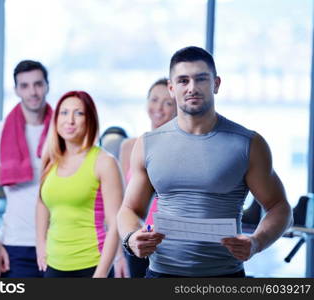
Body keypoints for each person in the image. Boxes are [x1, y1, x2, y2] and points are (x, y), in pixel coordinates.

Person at [117, 46, 293, 278]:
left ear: (216, 84)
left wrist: (256, 242)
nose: (192, 88)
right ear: (172, 88)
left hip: (223, 276)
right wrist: (131, 239)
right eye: (183, 81)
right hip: (161, 273)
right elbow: (129, 209)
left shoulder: (248, 144)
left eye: (201, 79)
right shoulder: (148, 144)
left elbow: (280, 207)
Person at [36, 91, 123, 278]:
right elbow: (42, 203)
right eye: (64, 113)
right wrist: (40, 244)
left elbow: (115, 223)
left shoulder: (105, 162)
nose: (70, 120)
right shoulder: (50, 159)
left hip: (91, 265)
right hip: (54, 264)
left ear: (90, 119)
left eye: (79, 113)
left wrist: (101, 273)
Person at [0, 60, 52, 277]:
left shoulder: (64, 132)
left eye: (38, 84)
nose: (33, 92)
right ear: (16, 90)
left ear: (47, 86)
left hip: (60, 240)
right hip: (16, 243)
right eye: (25, 86)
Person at [119, 78, 176, 278]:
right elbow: (123, 206)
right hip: (137, 239)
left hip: (167, 242)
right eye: (153, 100)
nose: (159, 107)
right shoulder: (130, 146)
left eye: (168, 102)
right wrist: (121, 249)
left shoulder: (179, 149)